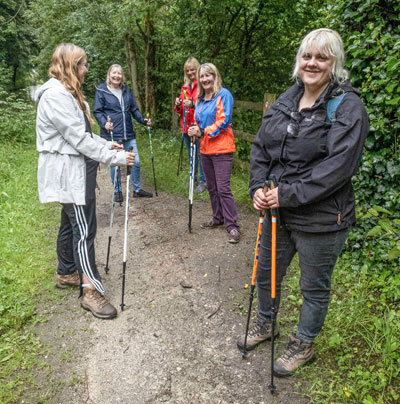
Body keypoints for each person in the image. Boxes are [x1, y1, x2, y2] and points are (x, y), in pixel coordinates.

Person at [237, 29, 369, 376]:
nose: (312, 63)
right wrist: (257, 188)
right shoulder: (286, 99)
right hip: (278, 213)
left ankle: (304, 343)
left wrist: (286, 193)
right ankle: (265, 324)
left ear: (334, 63)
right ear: (299, 60)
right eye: (307, 56)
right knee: (266, 274)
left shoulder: (348, 106)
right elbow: (262, 149)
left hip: (323, 218)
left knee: (313, 286)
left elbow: (338, 168)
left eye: (321, 57)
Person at [35, 44, 135, 319]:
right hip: (70, 173)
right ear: (70, 65)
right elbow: (78, 140)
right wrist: (116, 159)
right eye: (82, 65)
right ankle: (90, 290)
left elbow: (84, 134)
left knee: (70, 222)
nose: (86, 69)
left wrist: (107, 144)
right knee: (84, 228)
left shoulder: (68, 93)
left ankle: (66, 272)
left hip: (76, 170)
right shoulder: (56, 96)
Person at [188, 63, 240, 243]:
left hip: (222, 149)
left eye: (208, 75)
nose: (205, 79)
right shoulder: (200, 100)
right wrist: (194, 130)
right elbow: (197, 120)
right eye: (202, 77)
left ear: (215, 76)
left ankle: (232, 226)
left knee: (223, 188)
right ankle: (218, 218)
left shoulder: (223, 95)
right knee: (212, 187)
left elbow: (223, 120)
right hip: (205, 149)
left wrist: (203, 132)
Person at [94, 64, 153, 202]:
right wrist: (104, 123)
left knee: (136, 161)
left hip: (128, 134)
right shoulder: (102, 90)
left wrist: (144, 120)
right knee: (115, 164)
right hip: (112, 135)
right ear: (109, 75)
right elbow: (97, 111)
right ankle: (117, 191)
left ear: (122, 76)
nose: (116, 76)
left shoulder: (126, 90)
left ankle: (137, 189)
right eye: (114, 73)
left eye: (119, 73)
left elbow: (134, 110)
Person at [174, 57, 207, 193]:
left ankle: (203, 181)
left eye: (192, 69)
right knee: (191, 153)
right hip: (186, 126)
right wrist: (178, 105)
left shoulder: (202, 86)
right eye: (187, 71)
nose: (190, 73)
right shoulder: (185, 87)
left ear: (197, 69)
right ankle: (192, 178)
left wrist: (192, 105)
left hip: (198, 125)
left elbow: (204, 106)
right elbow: (180, 110)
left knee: (200, 153)